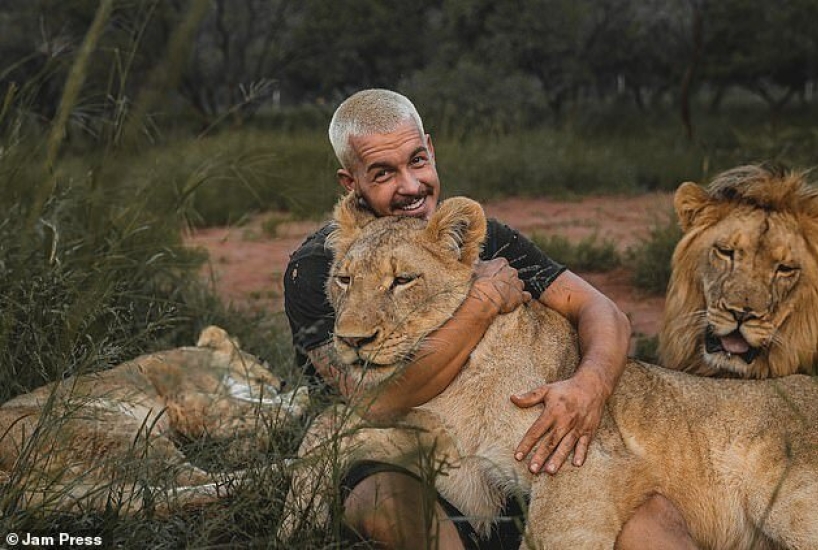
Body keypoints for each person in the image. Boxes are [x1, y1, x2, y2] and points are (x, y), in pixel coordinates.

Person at [283, 89, 688, 549]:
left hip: (488, 451)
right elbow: (373, 403)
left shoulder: (472, 236)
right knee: (387, 500)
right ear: (350, 181)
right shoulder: (320, 264)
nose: (412, 186)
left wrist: (589, 386)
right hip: (394, 455)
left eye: (417, 161)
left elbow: (601, 310)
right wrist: (483, 301)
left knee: (648, 518)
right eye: (383, 173)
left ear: (431, 149)